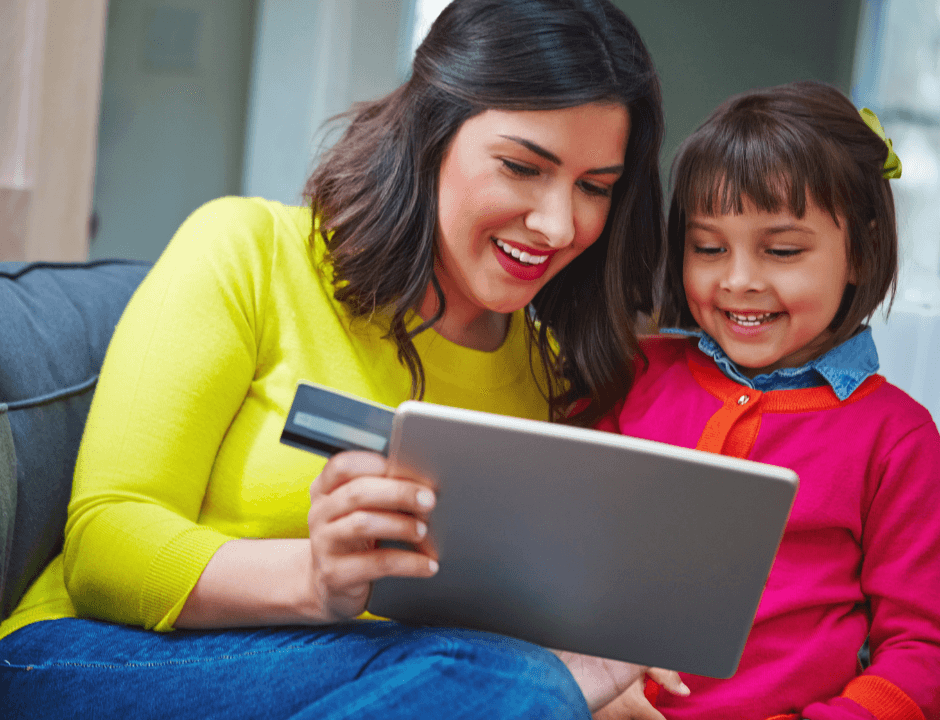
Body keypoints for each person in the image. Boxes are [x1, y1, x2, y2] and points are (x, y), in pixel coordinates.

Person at [0, 0, 689, 716]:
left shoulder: (546, 374)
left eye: (594, 188)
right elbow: (104, 540)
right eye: (522, 167)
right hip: (90, 656)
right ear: (432, 134)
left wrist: (591, 686)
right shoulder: (249, 251)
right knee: (506, 680)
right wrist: (314, 578)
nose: (557, 222)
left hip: (394, 683)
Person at [594, 81, 940, 720]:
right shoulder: (633, 374)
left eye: (782, 251)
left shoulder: (897, 438)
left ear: (860, 251)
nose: (739, 280)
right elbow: (546, 558)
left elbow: (923, 650)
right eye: (708, 247)